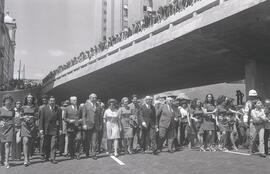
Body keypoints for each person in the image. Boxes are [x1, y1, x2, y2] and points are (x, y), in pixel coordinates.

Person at [39, 96, 62, 164]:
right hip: (46, 129)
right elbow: (41, 120)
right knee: (46, 144)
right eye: (51, 101)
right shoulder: (44, 109)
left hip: (54, 129)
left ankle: (53, 158)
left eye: (53, 101)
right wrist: (41, 129)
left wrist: (60, 129)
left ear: (55, 101)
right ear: (48, 101)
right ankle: (47, 156)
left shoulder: (58, 109)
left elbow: (60, 120)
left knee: (53, 143)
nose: (52, 102)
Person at [82, 93, 103, 160]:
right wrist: (84, 124)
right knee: (87, 140)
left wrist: (100, 124)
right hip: (88, 125)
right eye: (93, 97)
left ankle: (94, 154)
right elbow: (84, 116)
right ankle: (87, 152)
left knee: (94, 140)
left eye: (95, 97)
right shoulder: (86, 105)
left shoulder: (98, 105)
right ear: (90, 98)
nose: (95, 99)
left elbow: (100, 116)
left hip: (96, 125)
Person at [21, 94, 38, 167]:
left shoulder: (35, 107)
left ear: (33, 99)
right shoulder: (23, 107)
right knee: (26, 141)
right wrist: (24, 117)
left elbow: (37, 116)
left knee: (30, 142)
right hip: (24, 125)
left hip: (32, 125)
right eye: (28, 97)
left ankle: (28, 158)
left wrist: (32, 117)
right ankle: (25, 159)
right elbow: (20, 116)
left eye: (31, 98)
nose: (30, 99)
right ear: (26, 98)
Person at [0, 94, 15, 168]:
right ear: (4, 101)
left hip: (10, 128)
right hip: (2, 128)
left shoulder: (13, 111)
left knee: (7, 144)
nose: (8, 102)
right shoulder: (0, 109)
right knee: (2, 145)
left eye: (10, 101)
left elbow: (13, 119)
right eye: (7, 100)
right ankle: (2, 159)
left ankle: (7, 161)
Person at [38, 95, 48, 160]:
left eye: (45, 100)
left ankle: (47, 153)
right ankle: (42, 153)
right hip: (42, 125)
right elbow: (39, 117)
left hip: (48, 125)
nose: (44, 101)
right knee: (42, 140)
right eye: (43, 100)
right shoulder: (40, 107)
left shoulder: (49, 107)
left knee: (48, 140)